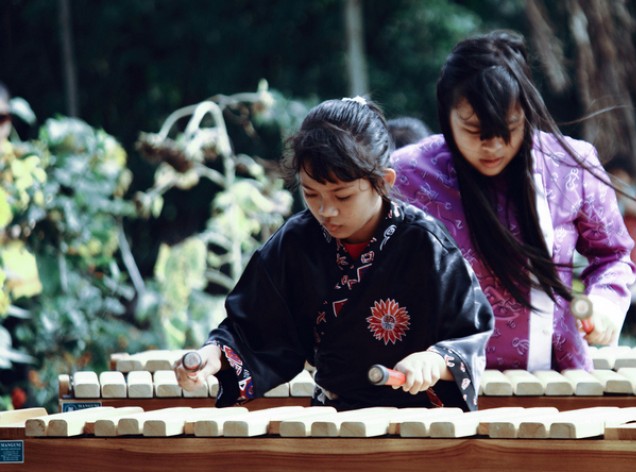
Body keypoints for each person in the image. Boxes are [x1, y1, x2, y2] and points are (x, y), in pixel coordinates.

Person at [175, 97, 494, 411]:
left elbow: (470, 332)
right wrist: (213, 356)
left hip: (421, 422)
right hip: (332, 417)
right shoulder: (296, 242)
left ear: (383, 182)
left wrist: (434, 361)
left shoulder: (426, 244)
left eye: (342, 195)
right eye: (311, 193)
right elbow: (252, 329)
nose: (326, 210)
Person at [391, 30, 636, 373]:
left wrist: (606, 302)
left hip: (556, 380)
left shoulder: (571, 164)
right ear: (446, 115)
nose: (493, 146)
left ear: (527, 112)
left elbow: (613, 254)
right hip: (435, 383)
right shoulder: (405, 175)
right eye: (475, 129)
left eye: (509, 126)